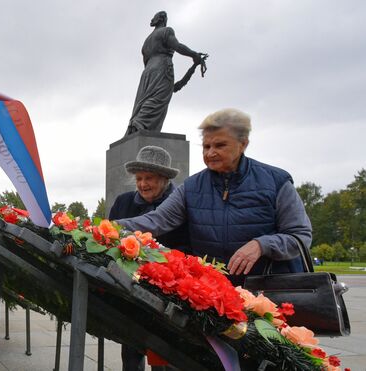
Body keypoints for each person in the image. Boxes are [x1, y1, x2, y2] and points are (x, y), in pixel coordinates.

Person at [117, 108, 312, 286]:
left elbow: (300, 236)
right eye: (206, 146)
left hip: (270, 292)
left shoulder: (276, 182)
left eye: (219, 145)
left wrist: (262, 244)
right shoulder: (191, 187)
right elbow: (156, 221)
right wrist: (104, 228)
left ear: (243, 144)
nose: (210, 153)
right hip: (216, 293)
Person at [109, 145, 186, 371]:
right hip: (131, 286)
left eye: (149, 178)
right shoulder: (124, 202)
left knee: (166, 352)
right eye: (139, 178)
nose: (143, 184)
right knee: (132, 347)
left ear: (164, 178)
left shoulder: (179, 203)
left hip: (169, 289)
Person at [125, 11, 205, 136]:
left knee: (145, 100)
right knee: (157, 100)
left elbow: (175, 87)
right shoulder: (166, 31)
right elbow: (177, 46)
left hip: (147, 72)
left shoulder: (146, 41)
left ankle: (136, 124)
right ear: (163, 19)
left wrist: (194, 67)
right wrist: (193, 55)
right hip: (162, 67)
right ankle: (140, 123)